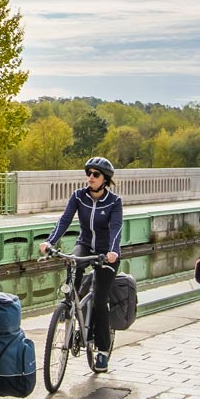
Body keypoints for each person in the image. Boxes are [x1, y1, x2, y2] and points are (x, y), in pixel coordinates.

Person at [40, 156, 123, 372]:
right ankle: (70, 307)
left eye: (96, 174)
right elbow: (64, 221)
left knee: (99, 299)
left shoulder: (114, 202)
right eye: (89, 173)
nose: (91, 178)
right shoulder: (78, 196)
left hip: (107, 252)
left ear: (105, 179)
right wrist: (50, 241)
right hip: (85, 244)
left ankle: (102, 351)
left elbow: (116, 229)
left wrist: (113, 251)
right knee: (73, 264)